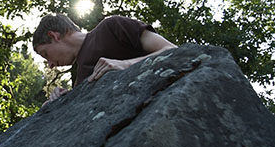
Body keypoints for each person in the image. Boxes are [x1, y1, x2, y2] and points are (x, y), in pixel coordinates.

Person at [33, 13, 176, 102]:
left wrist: (126, 65)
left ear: (54, 36)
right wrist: (59, 101)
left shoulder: (112, 26)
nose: (50, 64)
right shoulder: (81, 78)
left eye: (46, 55)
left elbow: (171, 50)